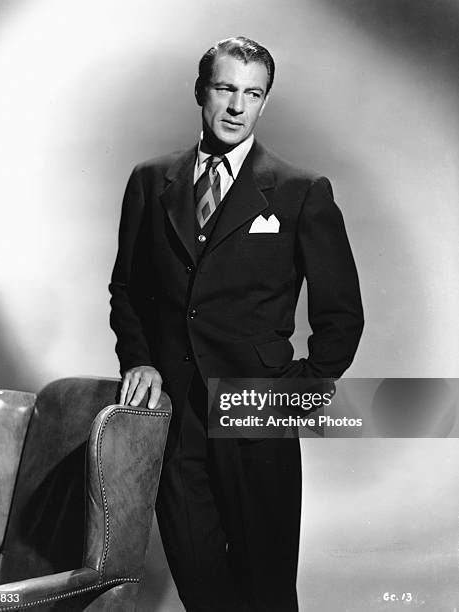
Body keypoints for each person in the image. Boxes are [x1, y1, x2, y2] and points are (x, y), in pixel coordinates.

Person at [109, 36, 364, 611]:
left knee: (266, 587)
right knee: (200, 581)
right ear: (201, 91)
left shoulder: (301, 192)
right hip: (173, 415)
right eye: (225, 89)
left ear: (264, 102)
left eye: (252, 94)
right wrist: (140, 360)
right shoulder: (150, 182)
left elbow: (341, 313)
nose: (236, 106)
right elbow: (126, 288)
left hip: (257, 410)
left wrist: (293, 393)